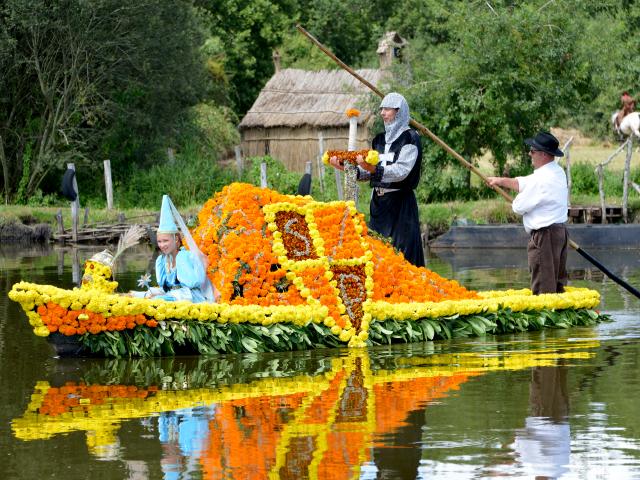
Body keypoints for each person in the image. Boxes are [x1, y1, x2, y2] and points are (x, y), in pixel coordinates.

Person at [329, 92, 425, 267]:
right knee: (379, 251)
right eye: (382, 109)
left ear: (399, 111)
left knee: (403, 254)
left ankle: (408, 291)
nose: (382, 113)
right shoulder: (378, 140)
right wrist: (349, 169)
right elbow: (370, 173)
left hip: (400, 203)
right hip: (379, 204)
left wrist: (373, 168)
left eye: (387, 109)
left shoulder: (410, 137)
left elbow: (402, 170)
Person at [487, 131, 568, 295]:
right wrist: (500, 181)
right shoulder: (557, 172)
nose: (529, 154)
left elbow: (518, 206)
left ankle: (545, 317)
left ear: (543, 154)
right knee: (557, 288)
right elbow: (525, 182)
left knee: (543, 289)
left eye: (532, 151)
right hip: (560, 234)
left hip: (544, 237)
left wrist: (516, 200)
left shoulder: (542, 180)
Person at [138, 195, 216, 302]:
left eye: (165, 241)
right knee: (141, 295)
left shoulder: (185, 256)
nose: (162, 245)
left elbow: (192, 282)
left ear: (175, 240)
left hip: (188, 295)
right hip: (172, 294)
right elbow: (165, 287)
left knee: (156, 300)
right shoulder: (162, 260)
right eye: (159, 241)